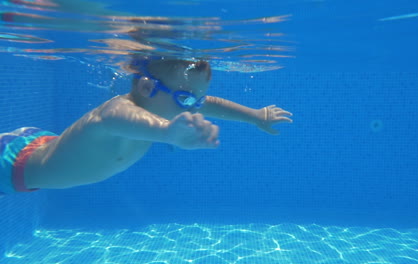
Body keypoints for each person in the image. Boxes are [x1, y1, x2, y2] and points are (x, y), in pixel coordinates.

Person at [0, 57, 292, 195]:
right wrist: (167, 133)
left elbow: (210, 102)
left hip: (38, 147)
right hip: (12, 165)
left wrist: (255, 115)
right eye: (184, 98)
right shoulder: (117, 109)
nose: (193, 107)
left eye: (194, 101)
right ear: (145, 86)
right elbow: (118, 121)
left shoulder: (165, 105)